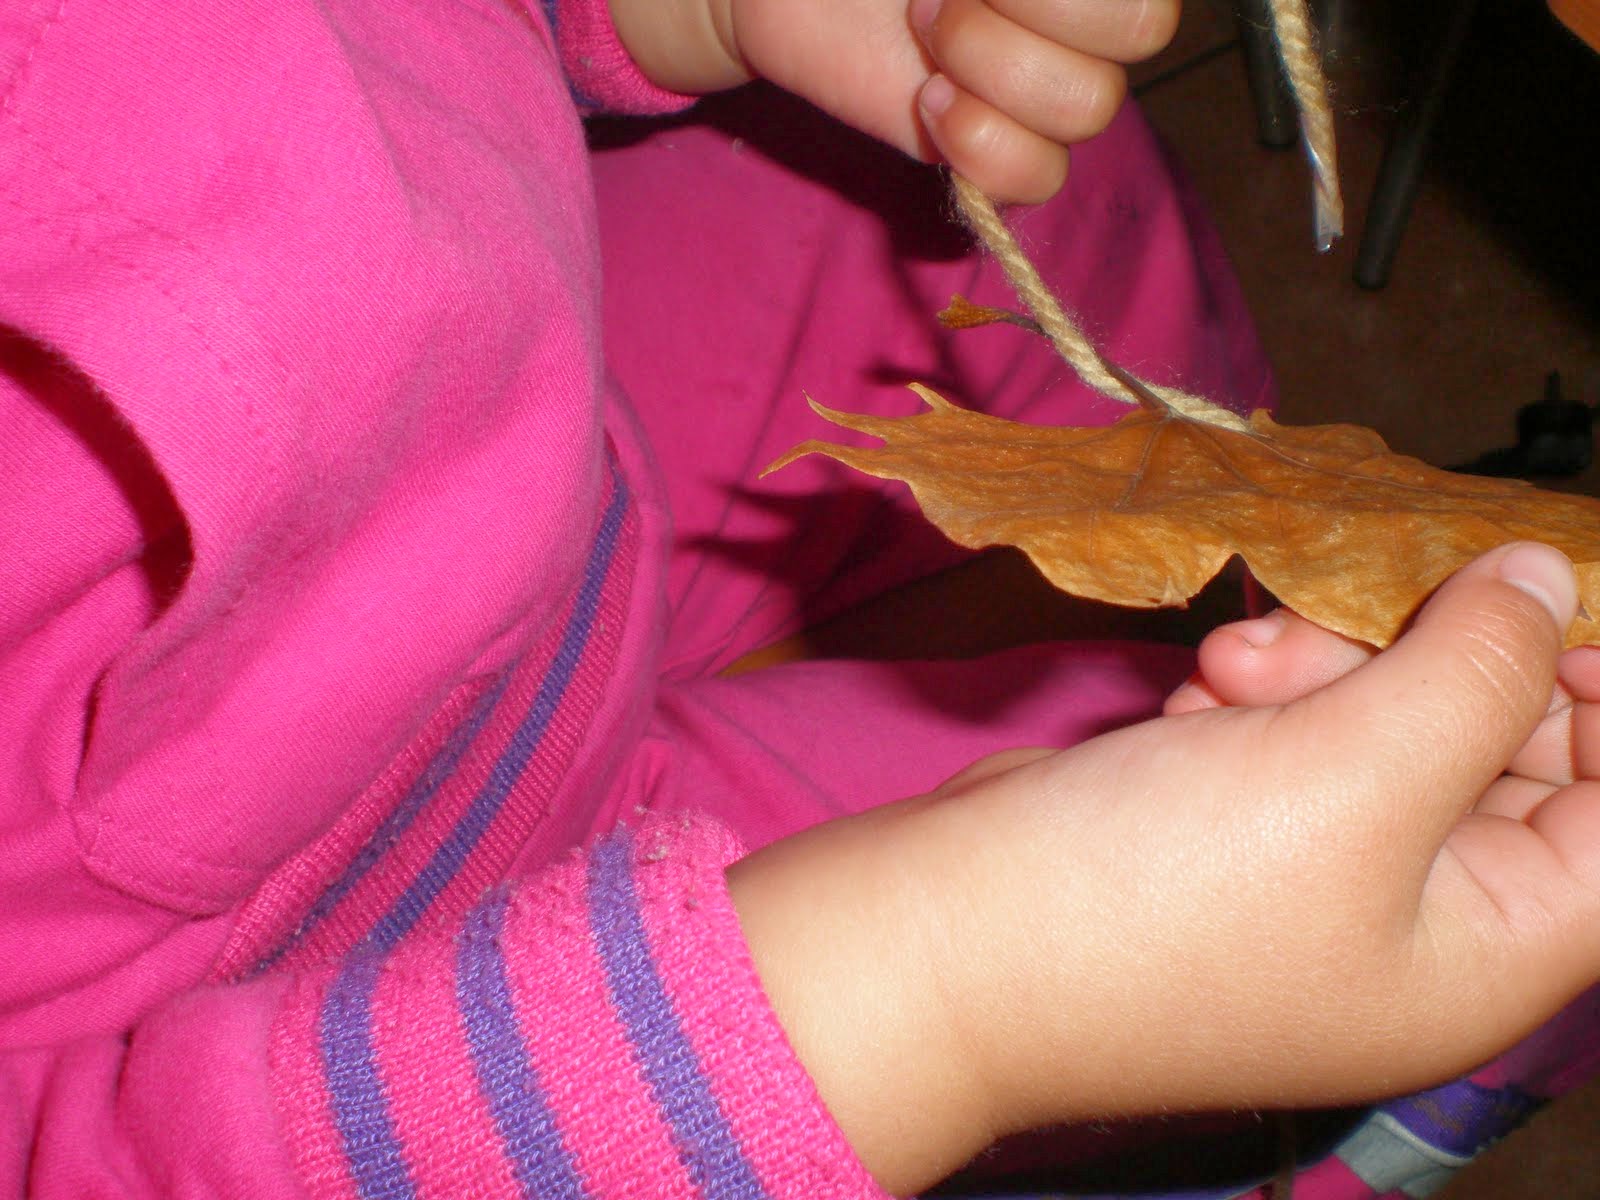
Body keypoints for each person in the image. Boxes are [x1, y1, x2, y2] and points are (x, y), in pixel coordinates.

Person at [1, 1, 1595, 1198]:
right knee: (1471, 925)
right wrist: (954, 1003)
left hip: (482, 411)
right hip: (395, 1013)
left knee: (1062, 215)